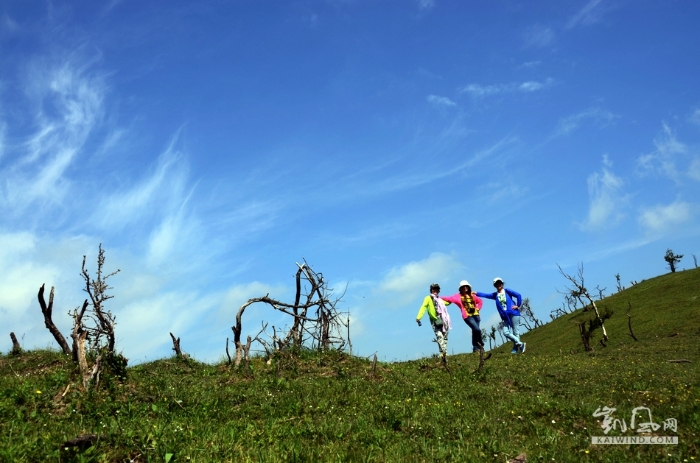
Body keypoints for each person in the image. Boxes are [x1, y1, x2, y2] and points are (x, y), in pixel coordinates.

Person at [475, 277, 526, 354]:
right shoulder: (495, 295)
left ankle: (515, 349)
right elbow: (486, 295)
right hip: (505, 316)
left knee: (516, 331)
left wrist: (518, 305)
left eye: (500, 283)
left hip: (513, 313)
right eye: (496, 284)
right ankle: (520, 344)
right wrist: (476, 293)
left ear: (502, 284)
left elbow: (518, 295)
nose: (498, 285)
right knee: (506, 332)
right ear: (495, 285)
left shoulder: (507, 291)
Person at [440, 280, 484, 353]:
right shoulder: (457, 296)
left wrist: (478, 308)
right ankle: (481, 345)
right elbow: (448, 298)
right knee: (477, 330)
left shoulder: (472, 295)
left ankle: (475, 348)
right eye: (463, 287)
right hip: (467, 316)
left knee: (475, 331)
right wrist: (437, 297)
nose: (465, 288)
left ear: (469, 287)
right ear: (460, 288)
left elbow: (480, 301)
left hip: (476, 316)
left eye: (466, 286)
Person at [416, 283, 452, 363]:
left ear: (438, 290)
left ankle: (444, 352)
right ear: (431, 290)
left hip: (444, 319)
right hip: (435, 319)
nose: (435, 290)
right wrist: (419, 317)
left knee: (445, 335)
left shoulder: (440, 299)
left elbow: (448, 302)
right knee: (439, 335)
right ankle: (443, 352)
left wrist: (453, 299)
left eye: (436, 289)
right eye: (433, 289)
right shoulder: (428, 298)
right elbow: (424, 306)